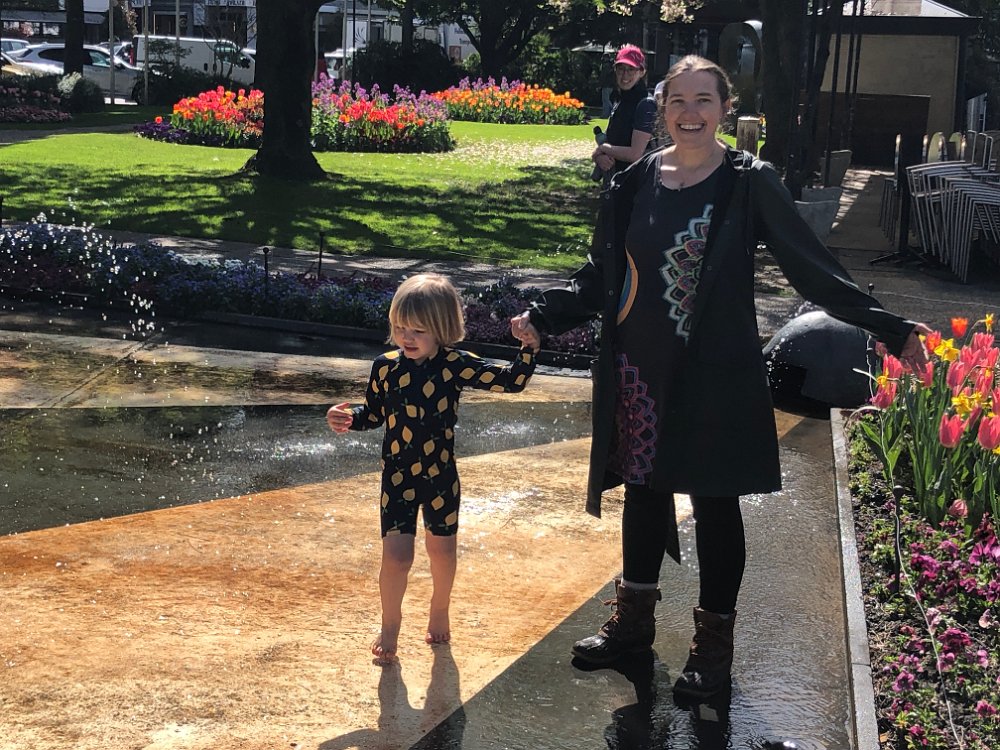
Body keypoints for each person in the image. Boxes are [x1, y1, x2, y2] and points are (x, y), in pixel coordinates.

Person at [511, 55, 930, 700]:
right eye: (678, 100)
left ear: (725, 109)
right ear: (662, 109)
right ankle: (633, 627)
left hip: (716, 371)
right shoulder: (633, 183)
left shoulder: (747, 182)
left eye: (704, 100)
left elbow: (811, 267)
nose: (690, 112)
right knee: (643, 493)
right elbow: (603, 273)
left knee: (713, 504)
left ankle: (712, 651)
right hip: (639, 369)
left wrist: (891, 328)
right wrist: (544, 316)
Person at [327, 273, 537, 664]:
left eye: (418, 331)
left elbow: (511, 381)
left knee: (442, 552)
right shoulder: (385, 367)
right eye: (400, 328)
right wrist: (349, 418)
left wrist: (528, 348)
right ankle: (390, 624)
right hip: (397, 476)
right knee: (397, 558)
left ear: (442, 329)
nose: (406, 337)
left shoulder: (455, 364)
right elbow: (373, 413)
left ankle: (439, 607)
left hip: (440, 476)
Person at [593, 44, 657, 182]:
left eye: (631, 69)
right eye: (621, 68)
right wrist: (599, 156)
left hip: (638, 185)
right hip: (616, 182)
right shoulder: (621, 100)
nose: (625, 74)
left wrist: (603, 148)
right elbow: (612, 140)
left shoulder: (646, 104)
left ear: (642, 72)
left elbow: (635, 154)